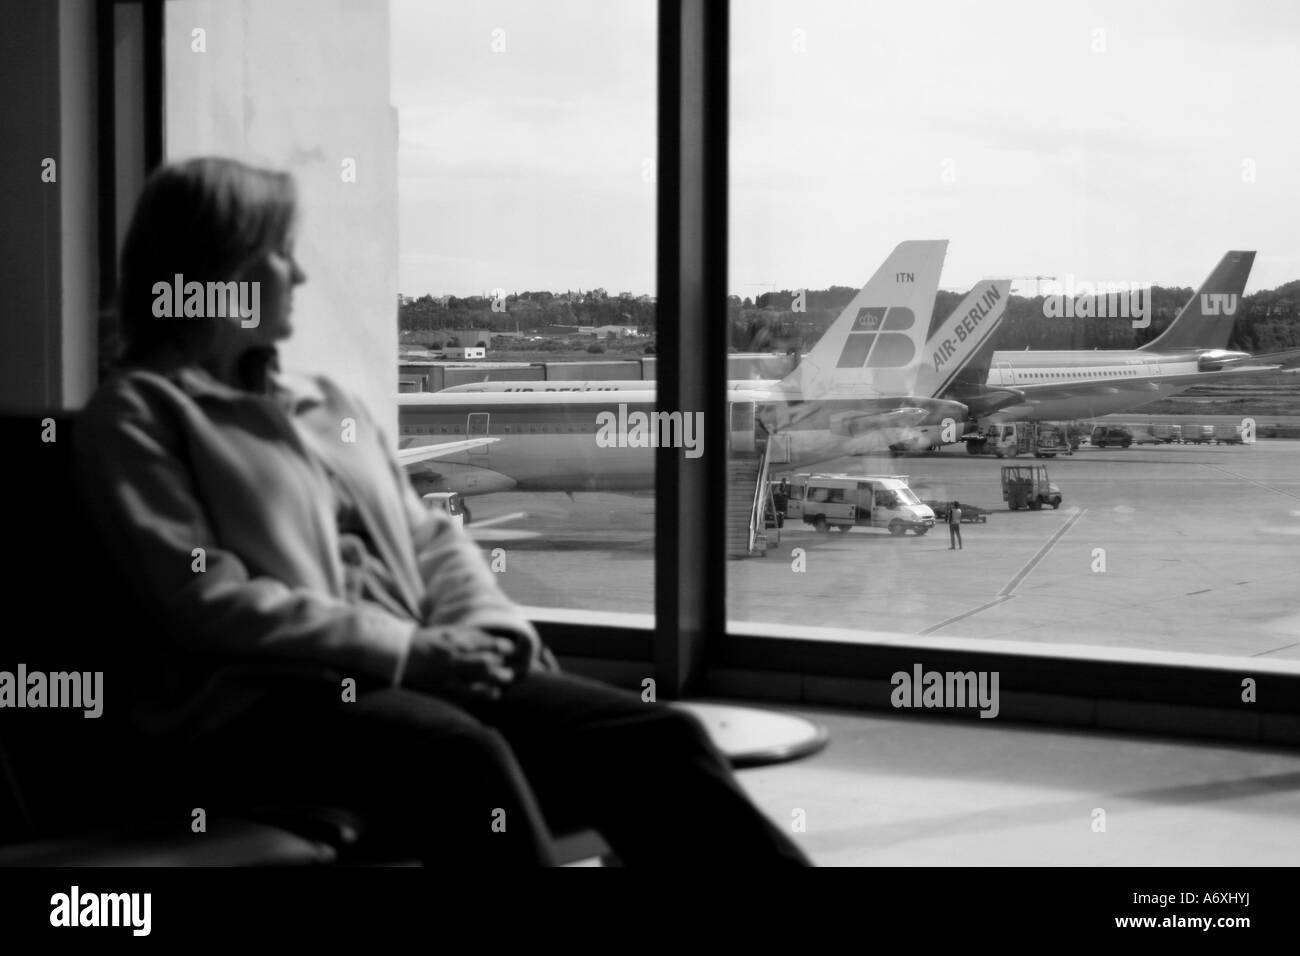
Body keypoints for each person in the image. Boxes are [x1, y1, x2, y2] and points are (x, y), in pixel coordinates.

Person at [72, 157, 811, 867]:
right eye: (280, 252)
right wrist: (404, 651)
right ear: (218, 268)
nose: (298, 274)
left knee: (657, 736)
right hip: (270, 706)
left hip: (417, 668)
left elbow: (429, 537)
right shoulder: (137, 416)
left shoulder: (325, 404)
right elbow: (207, 597)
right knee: (462, 755)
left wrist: (490, 628)